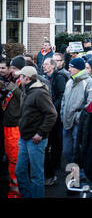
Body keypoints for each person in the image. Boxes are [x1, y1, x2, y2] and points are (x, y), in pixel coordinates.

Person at [15, 66, 57, 198]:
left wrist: (40, 133)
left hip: (35, 140)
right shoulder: (26, 90)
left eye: (21, 76)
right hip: (24, 138)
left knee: (36, 175)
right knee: (20, 171)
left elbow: (52, 114)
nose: (19, 78)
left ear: (26, 78)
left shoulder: (39, 93)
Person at [60, 58, 92, 165]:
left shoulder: (89, 82)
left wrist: (78, 118)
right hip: (66, 122)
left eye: (71, 67)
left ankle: (79, 177)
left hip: (78, 124)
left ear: (78, 68)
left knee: (78, 152)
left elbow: (90, 103)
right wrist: (62, 114)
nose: (69, 69)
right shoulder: (69, 81)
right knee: (66, 152)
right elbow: (64, 100)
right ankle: (72, 176)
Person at [42, 58, 68, 186]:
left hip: (55, 113)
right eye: (44, 64)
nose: (44, 66)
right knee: (50, 139)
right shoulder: (43, 78)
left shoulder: (59, 78)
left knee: (56, 139)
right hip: (47, 113)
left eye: (47, 64)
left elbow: (61, 95)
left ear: (53, 66)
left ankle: (56, 164)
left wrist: (52, 107)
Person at [0, 58, 23, 197]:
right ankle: (13, 188)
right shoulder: (11, 82)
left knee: (15, 159)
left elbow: (26, 100)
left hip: (15, 126)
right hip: (7, 123)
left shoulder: (22, 82)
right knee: (10, 158)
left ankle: (16, 190)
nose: (12, 71)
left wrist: (15, 90)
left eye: (14, 69)